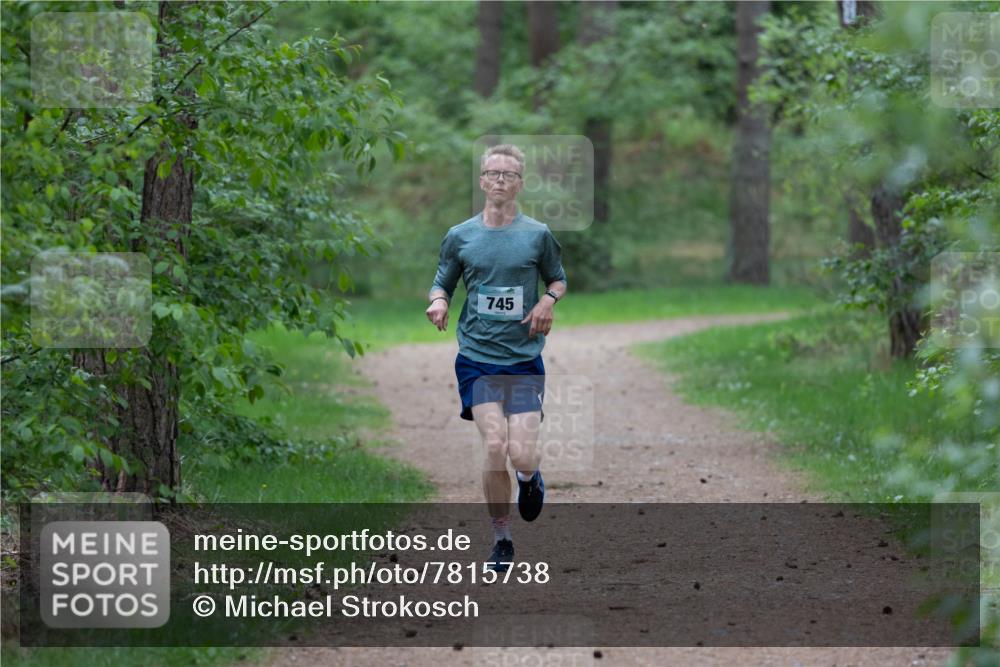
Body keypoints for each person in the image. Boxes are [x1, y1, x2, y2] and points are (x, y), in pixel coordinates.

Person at [425, 144, 567, 571]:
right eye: (493, 173)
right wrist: (438, 301)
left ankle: (529, 478)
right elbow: (442, 281)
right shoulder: (460, 235)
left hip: (522, 360)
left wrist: (547, 301)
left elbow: (557, 279)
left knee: (521, 454)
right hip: (477, 358)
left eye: (508, 174)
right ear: (482, 181)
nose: (500, 180)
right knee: (494, 444)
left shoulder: (537, 234)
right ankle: (501, 538)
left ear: (520, 183)